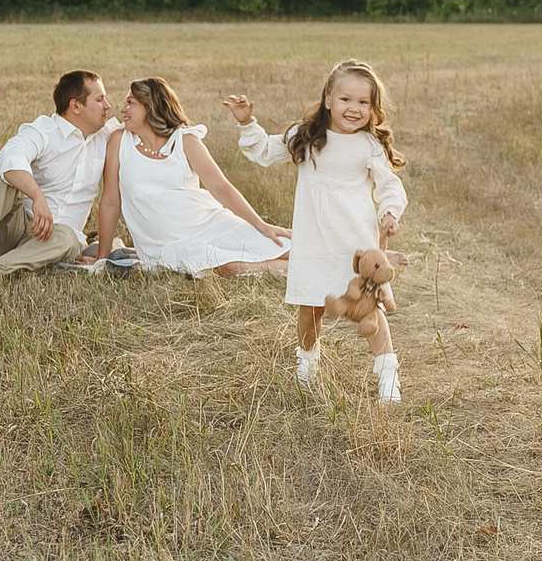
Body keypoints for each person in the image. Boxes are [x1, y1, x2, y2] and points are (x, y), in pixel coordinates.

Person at [225, 58, 410, 402]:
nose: (353, 108)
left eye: (363, 102)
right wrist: (247, 122)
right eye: (345, 99)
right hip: (314, 240)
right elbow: (263, 152)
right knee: (310, 308)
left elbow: (390, 185)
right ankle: (308, 364)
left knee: (369, 308)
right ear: (327, 99)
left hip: (354, 243)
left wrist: (390, 212)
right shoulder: (307, 137)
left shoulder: (369, 146)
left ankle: (388, 373)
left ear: (373, 108)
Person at [91, 78, 292, 278]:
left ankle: (303, 266)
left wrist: (261, 225)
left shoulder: (185, 140)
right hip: (166, 246)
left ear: (151, 107)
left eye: (130, 103)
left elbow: (221, 187)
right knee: (229, 268)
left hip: (211, 224)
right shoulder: (119, 141)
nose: (123, 109)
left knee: (287, 247)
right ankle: (296, 269)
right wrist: (102, 258)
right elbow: (110, 202)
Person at [0, 70, 117, 290]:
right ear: (75, 106)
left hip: (56, 244)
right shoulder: (43, 130)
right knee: (4, 176)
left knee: (68, 236)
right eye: (100, 99)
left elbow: (147, 127)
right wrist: (37, 196)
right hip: (17, 229)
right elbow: (10, 157)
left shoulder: (109, 137)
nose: (107, 106)